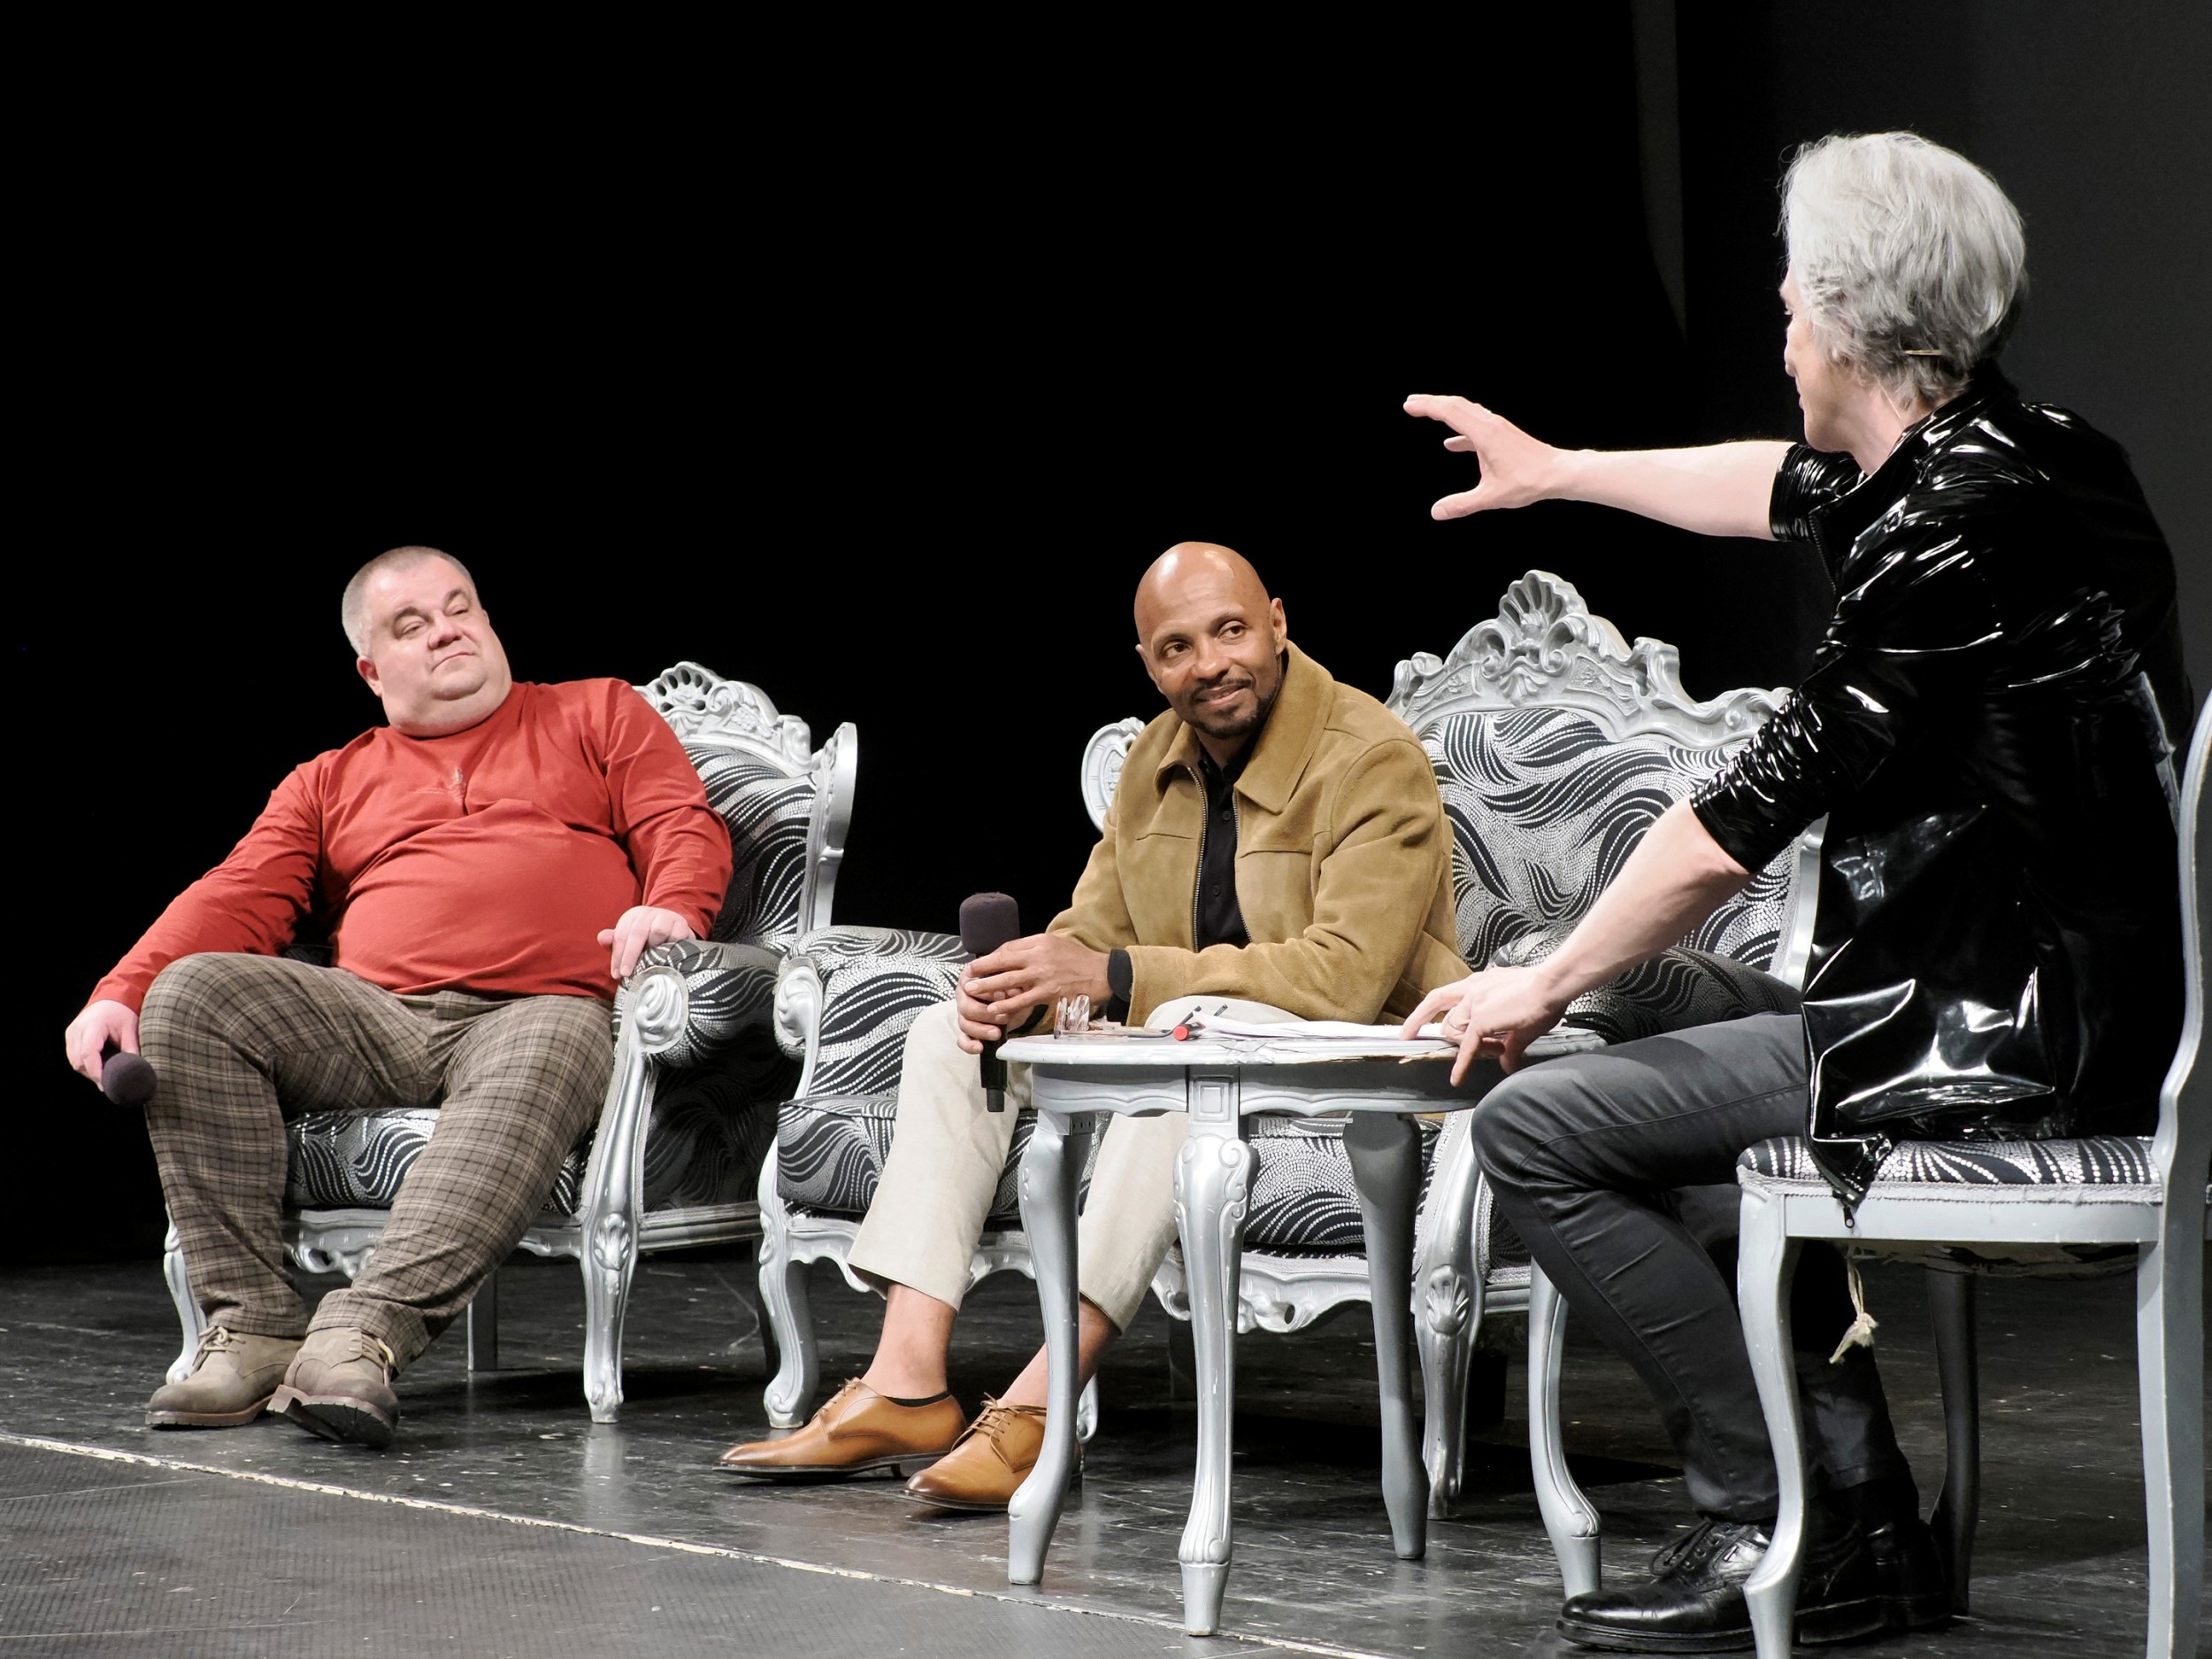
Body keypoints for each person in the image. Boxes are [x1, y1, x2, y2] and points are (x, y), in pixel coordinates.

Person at [1402, 132, 2189, 1653]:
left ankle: (1778, 1518)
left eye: (1787, 299)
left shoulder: (1947, 535)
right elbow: (1775, 484)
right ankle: (1861, 1526)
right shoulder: (2035, 453)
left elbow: (1735, 822)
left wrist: (1537, 980)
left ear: (1842, 320)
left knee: (1537, 1127)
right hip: (2028, 991)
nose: (1776, 323)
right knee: (1666, 1047)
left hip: (2006, 1035)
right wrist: (1556, 472)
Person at [718, 541, 1467, 1508]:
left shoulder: (1371, 757)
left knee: (1183, 1044)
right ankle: (906, 1383)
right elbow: (1094, 927)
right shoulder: (1156, 757)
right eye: (1177, 648)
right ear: (1148, 663)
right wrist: (1026, 987)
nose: (1210, 664)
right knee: (951, 1035)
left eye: (1231, 631)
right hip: (1191, 1035)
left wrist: (1118, 975)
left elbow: (1346, 978)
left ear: (1278, 623)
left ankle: (1044, 1399)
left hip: (1345, 1064)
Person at [63, 546, 732, 1449]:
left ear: (488, 621)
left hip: (538, 1009)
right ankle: (252, 1328)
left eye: (461, 608)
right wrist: (123, 989)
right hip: (375, 1018)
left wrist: (672, 904)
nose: (447, 631)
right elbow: (237, 893)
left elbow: (679, 820)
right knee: (192, 994)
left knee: (555, 1036)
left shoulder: (597, 710)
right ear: (372, 671)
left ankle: (358, 1338)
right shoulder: (329, 779)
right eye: (412, 625)